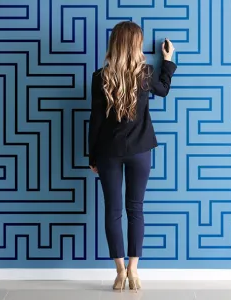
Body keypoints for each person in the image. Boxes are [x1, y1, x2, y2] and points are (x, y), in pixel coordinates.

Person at [87, 21, 176, 291]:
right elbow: (164, 89)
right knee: (135, 209)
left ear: (115, 44)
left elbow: (96, 122)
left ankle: (119, 272)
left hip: (108, 152)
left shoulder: (100, 76)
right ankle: (133, 270)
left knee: (113, 211)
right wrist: (168, 60)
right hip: (140, 151)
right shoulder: (146, 74)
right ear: (136, 44)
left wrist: (92, 157)